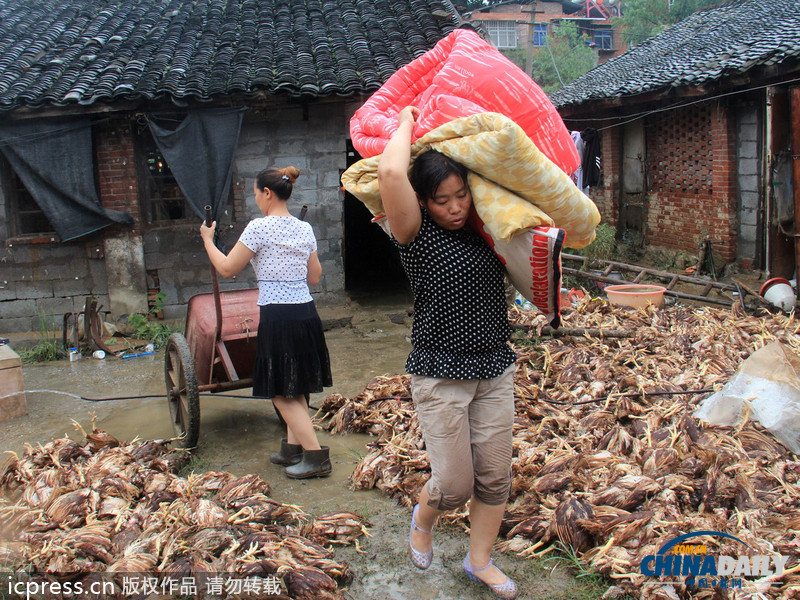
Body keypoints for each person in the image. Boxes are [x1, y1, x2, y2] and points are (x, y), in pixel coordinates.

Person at [377, 106, 518, 599]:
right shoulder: (415, 235)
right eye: (442, 200)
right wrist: (407, 121)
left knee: (495, 477)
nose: (455, 207)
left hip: (494, 367)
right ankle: (423, 519)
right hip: (440, 373)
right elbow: (390, 172)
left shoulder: (485, 227)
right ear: (423, 201)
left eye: (462, 195)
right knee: (455, 485)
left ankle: (479, 561)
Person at [199, 166, 333, 479]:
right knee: (295, 383)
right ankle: (292, 450)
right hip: (306, 314)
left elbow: (227, 269)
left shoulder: (258, 228)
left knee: (278, 391)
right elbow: (314, 277)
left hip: (278, 315)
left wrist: (208, 241)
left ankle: (316, 457)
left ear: (268, 193)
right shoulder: (304, 228)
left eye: (256, 194)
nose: (256, 200)